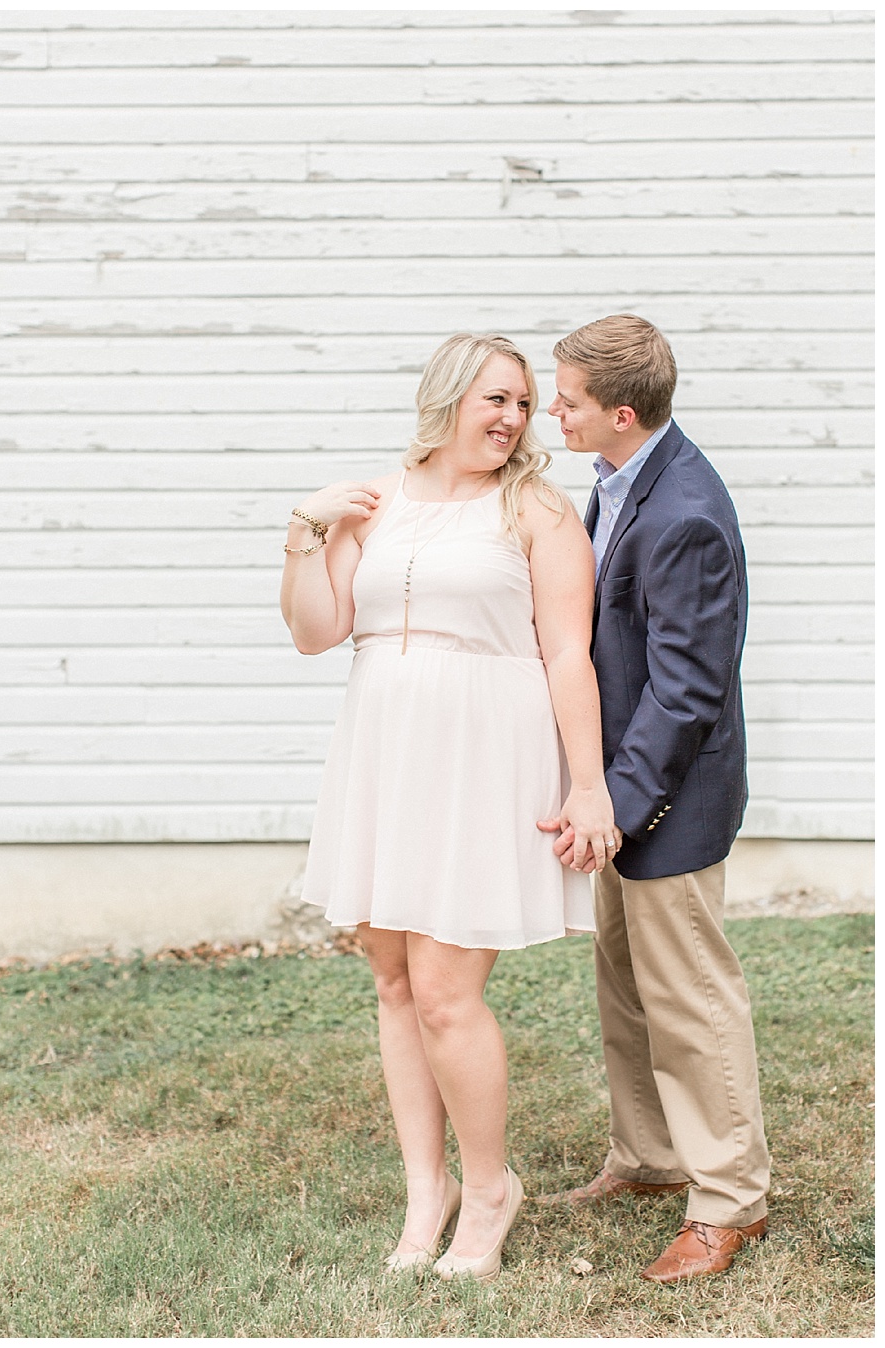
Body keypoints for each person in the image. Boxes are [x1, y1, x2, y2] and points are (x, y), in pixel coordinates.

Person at [279, 333, 615, 1281]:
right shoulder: (373, 504)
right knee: (392, 980)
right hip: (385, 753)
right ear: (447, 400)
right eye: (495, 399)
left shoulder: (538, 511)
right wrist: (307, 531)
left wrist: (587, 783)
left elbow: (566, 654)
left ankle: (492, 1187)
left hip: (486, 755)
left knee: (446, 992)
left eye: (522, 402)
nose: (513, 418)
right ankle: (427, 1193)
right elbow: (315, 633)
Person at [535, 314, 770, 1284]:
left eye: (569, 400)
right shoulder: (623, 478)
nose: (553, 410)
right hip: (622, 790)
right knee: (626, 985)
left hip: (667, 796)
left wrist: (616, 803)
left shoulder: (683, 515)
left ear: (620, 414)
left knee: (690, 999)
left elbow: (686, 691)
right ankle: (651, 1155)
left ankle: (731, 1198)